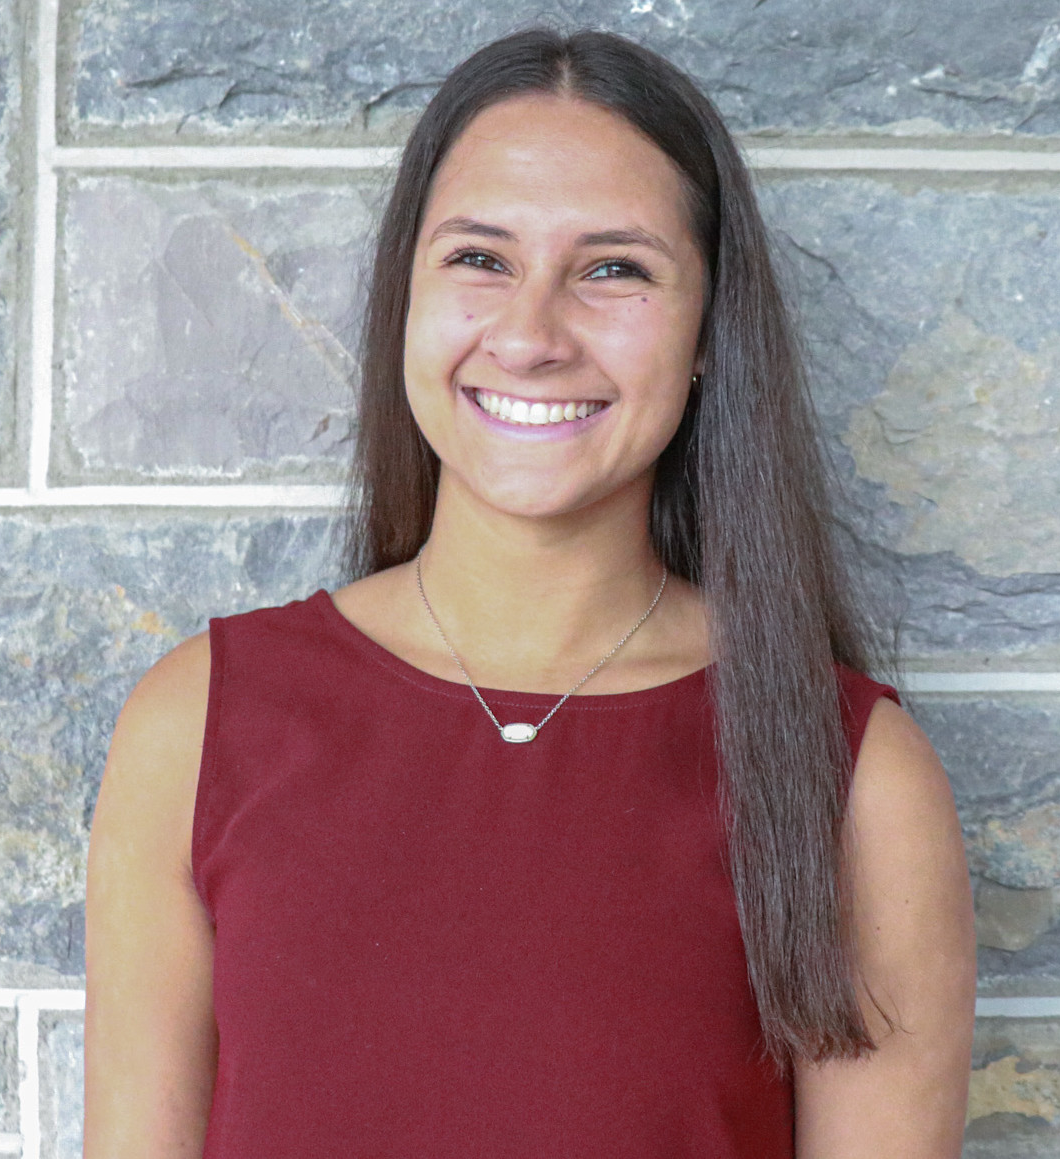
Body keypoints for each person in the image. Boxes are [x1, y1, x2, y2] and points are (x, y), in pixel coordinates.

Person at [83, 28, 975, 1159]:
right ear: (404, 295)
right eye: (479, 258)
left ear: (708, 334)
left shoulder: (851, 774)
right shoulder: (199, 722)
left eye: (614, 269)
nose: (530, 334)